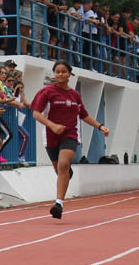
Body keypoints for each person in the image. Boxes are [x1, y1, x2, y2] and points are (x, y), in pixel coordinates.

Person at [29, 61, 109, 219]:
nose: (60, 74)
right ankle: (65, 172)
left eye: (63, 71)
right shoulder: (46, 92)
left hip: (70, 134)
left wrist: (100, 127)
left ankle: (58, 204)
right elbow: (36, 113)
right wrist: (52, 126)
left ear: (69, 74)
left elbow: (84, 115)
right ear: (54, 74)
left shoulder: (75, 95)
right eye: (57, 71)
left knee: (63, 164)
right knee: (60, 170)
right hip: (51, 136)